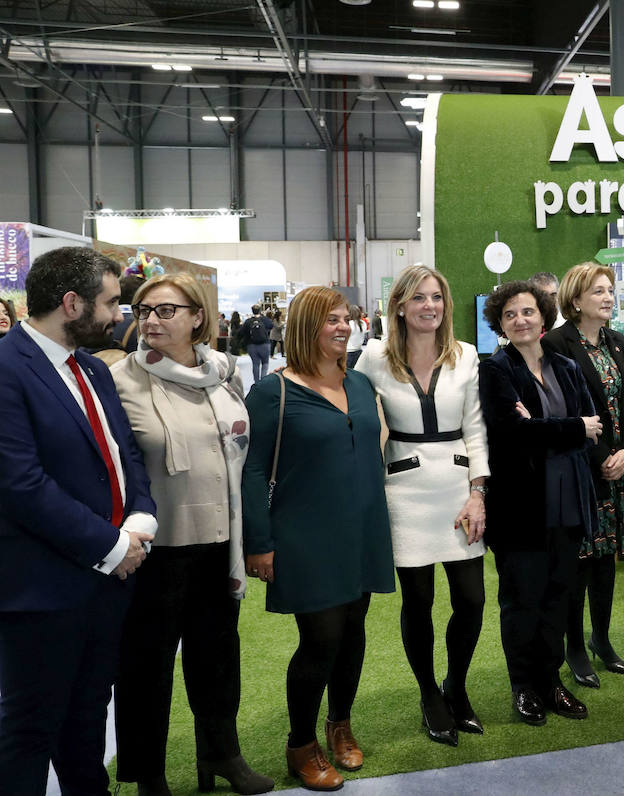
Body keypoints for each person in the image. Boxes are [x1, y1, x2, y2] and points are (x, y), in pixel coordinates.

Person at [0, 246, 158, 796]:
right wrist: (112, 545)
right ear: (71, 304)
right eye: (112, 303)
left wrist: (141, 518)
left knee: (88, 720)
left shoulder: (92, 367)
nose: (121, 315)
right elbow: (20, 485)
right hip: (41, 591)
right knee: (27, 732)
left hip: (105, 583)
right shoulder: (6, 369)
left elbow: (124, 456)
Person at [109, 273, 272, 796]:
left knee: (218, 660)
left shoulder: (224, 376)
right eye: (143, 311)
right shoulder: (119, 380)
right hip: (153, 550)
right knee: (146, 669)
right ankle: (148, 775)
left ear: (197, 317)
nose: (151, 320)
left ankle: (222, 756)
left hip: (218, 542)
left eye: (164, 310)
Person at [241, 286, 395, 791]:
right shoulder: (273, 392)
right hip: (305, 535)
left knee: (354, 630)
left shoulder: (360, 383)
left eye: (346, 319)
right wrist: (258, 541)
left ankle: (340, 724)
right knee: (320, 640)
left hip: (363, 526)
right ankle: (301, 744)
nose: (343, 327)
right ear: (307, 326)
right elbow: (253, 469)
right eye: (331, 320)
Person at [354, 266, 489, 746]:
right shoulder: (372, 358)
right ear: (400, 307)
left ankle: (457, 684)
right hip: (403, 490)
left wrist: (478, 492)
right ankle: (429, 693)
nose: (429, 306)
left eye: (436, 297)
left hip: (458, 488)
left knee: (472, 598)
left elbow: (475, 427)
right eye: (418, 299)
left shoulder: (467, 356)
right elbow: (355, 421)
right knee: (419, 600)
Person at [477, 281, 600, 725]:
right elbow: (511, 434)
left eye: (527, 312)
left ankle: (551, 682)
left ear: (544, 318)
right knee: (522, 601)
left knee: (557, 598)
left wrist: (547, 428)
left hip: (569, 501)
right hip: (520, 508)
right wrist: (568, 429)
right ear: (501, 325)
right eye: (510, 315)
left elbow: (595, 425)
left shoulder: (566, 366)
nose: (520, 320)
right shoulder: (496, 370)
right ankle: (523, 687)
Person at [542, 262, 624, 688]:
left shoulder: (619, 343)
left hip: (617, 469)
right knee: (578, 563)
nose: (607, 297)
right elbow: (564, 409)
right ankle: (575, 647)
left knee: (606, 561)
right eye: (598, 291)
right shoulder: (557, 344)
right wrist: (604, 454)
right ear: (575, 299)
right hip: (582, 470)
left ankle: (601, 638)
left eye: (609, 290)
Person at [238, 304, 272, 383]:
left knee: (255, 364)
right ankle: (263, 382)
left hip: (252, 345)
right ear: (260, 310)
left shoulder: (248, 321)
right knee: (265, 363)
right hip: (265, 344)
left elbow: (242, 332)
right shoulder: (265, 319)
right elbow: (271, 326)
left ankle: (257, 383)